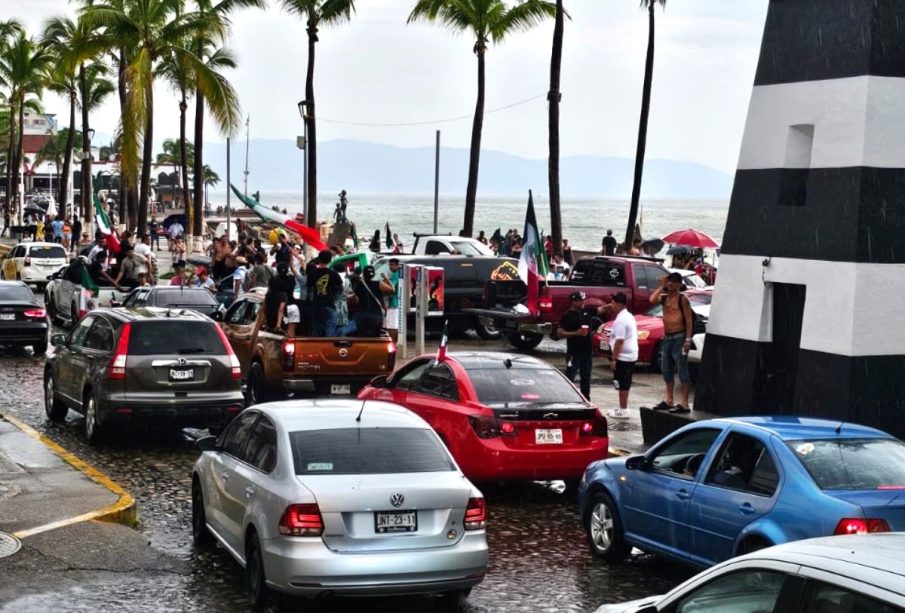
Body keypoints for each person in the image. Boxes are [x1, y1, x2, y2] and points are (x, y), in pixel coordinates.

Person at [649, 272, 694, 413]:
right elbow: (652, 300)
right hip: (667, 338)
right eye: (670, 281)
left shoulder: (682, 299)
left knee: (682, 370)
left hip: (679, 338)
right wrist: (661, 287)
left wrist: (688, 339)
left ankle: (685, 403)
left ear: (680, 284)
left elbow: (688, 320)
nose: (672, 284)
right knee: (666, 369)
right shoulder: (664, 298)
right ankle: (669, 399)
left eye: (675, 282)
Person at [557, 291, 602, 400]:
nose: (583, 302)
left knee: (586, 377)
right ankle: (566, 398)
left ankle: (586, 399)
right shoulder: (566, 315)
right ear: (574, 302)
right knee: (570, 375)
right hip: (573, 352)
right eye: (581, 300)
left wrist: (612, 305)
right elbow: (559, 333)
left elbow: (602, 310)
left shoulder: (587, 311)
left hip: (587, 352)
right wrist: (576, 333)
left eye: (583, 300)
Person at [605, 292, 638, 419]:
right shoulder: (628, 315)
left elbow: (619, 340)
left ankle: (623, 410)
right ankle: (622, 408)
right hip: (629, 355)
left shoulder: (621, 320)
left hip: (623, 357)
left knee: (622, 383)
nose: (611, 305)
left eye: (613, 303)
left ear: (619, 304)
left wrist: (613, 359)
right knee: (624, 383)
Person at [306, 250, 343, 336]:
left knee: (316, 327)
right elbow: (340, 287)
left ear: (319, 260)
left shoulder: (313, 273)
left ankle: (316, 347)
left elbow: (309, 285)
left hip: (316, 304)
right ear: (330, 260)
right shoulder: (334, 274)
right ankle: (329, 347)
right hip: (330, 303)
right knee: (330, 327)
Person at [350, 265, 390, 337]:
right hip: (375, 314)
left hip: (361, 314)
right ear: (374, 274)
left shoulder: (359, 284)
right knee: (374, 337)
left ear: (363, 274)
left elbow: (355, 299)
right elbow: (392, 290)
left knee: (361, 337)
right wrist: (387, 279)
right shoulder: (379, 284)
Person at [382, 258, 401, 342]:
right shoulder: (398, 274)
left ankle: (392, 343)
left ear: (398, 265)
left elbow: (390, 288)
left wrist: (386, 279)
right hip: (397, 302)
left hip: (393, 303)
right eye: (390, 265)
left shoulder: (395, 275)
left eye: (393, 265)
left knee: (392, 326)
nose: (391, 267)